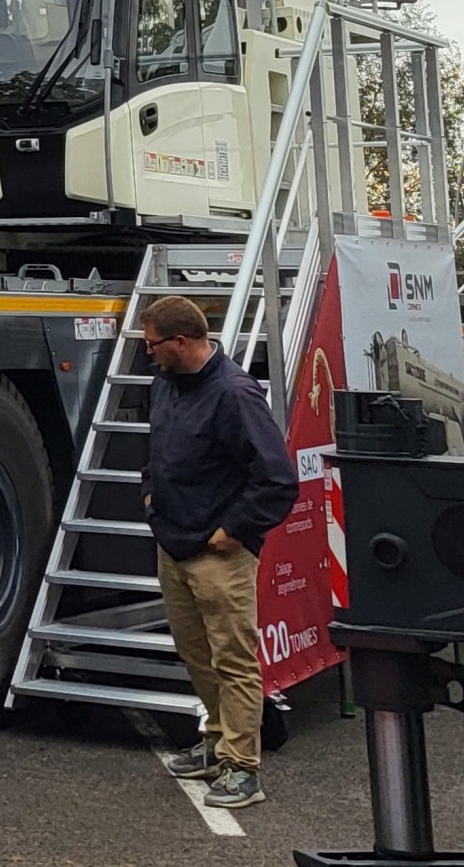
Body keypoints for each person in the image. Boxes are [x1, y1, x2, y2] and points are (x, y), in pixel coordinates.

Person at [141, 294, 296, 809]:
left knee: (233, 660)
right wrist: (150, 494)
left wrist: (231, 532)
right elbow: (159, 448)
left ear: (181, 342)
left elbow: (276, 478)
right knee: (197, 654)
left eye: (153, 345)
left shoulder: (234, 393)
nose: (149, 354)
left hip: (217, 554)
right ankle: (215, 743)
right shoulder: (167, 385)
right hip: (175, 544)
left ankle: (243, 768)